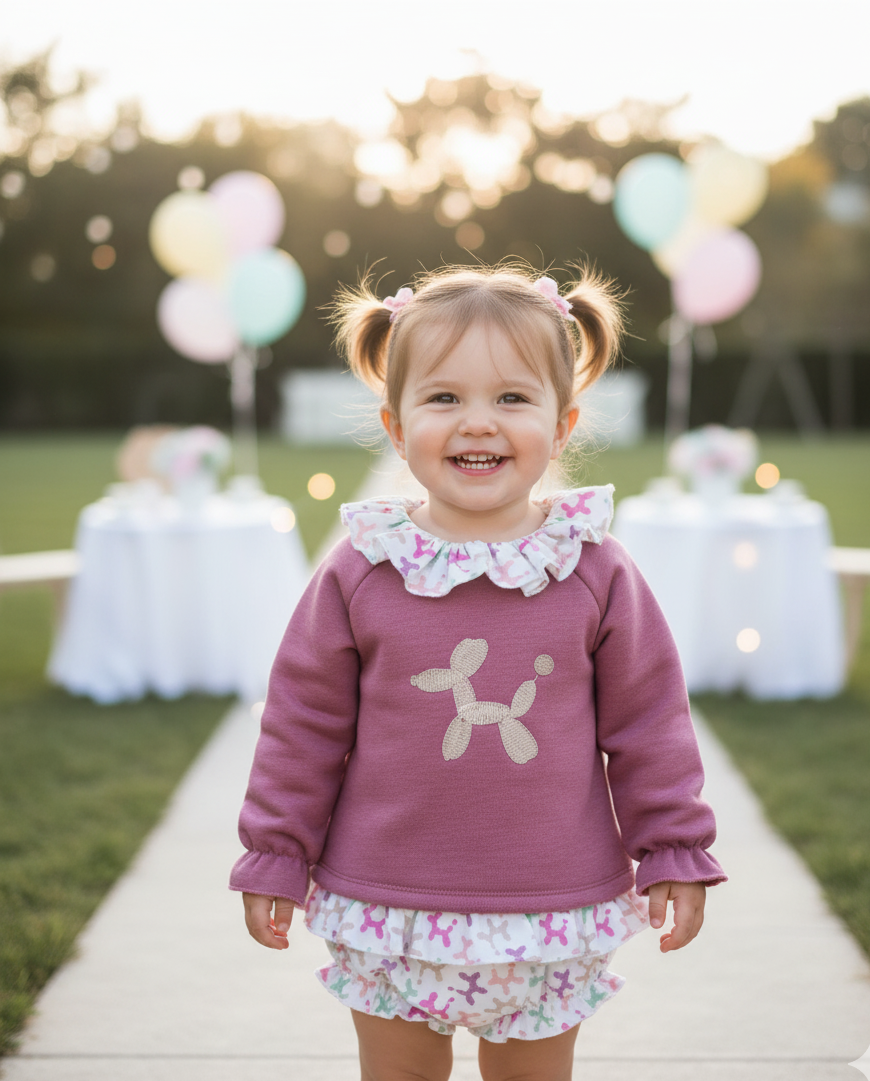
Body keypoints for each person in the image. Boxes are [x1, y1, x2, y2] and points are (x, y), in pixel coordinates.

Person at [230, 264, 726, 1081]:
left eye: (511, 398)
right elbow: (302, 723)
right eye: (444, 397)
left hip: (551, 904)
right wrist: (277, 851)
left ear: (562, 424)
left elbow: (649, 722)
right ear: (396, 425)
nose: (477, 423)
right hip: (390, 905)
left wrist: (673, 845)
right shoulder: (363, 569)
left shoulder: (593, 568)